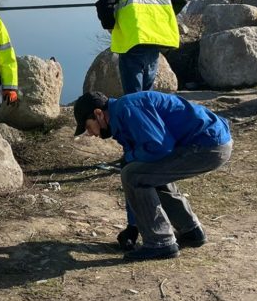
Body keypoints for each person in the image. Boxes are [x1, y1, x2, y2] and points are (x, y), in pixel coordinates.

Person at [74, 90, 231, 260]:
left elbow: (160, 147)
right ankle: (191, 231)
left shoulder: (128, 109)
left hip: (207, 145)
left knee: (133, 175)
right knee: (143, 172)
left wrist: (129, 159)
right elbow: (147, 161)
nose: (90, 133)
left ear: (98, 114)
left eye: (88, 126)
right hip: (211, 143)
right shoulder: (122, 115)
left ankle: (160, 242)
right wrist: (133, 226)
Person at [95, 0, 189, 94]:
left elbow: (105, 1)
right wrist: (165, 16)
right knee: (147, 91)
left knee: (134, 94)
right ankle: (147, 115)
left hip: (133, 39)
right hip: (155, 38)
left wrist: (110, 25)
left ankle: (138, 116)